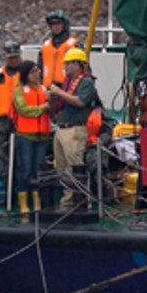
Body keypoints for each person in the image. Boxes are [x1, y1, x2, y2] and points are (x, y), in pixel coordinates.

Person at [48, 47, 100, 209]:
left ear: (78, 65)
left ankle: (81, 200)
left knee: (75, 165)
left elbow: (80, 101)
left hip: (75, 129)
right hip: (61, 128)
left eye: (69, 63)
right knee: (62, 167)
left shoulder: (86, 82)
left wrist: (60, 93)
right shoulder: (67, 83)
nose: (65, 67)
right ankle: (68, 198)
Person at [11, 60, 51, 213]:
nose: (37, 74)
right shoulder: (19, 90)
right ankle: (23, 202)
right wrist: (42, 108)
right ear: (26, 75)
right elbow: (23, 109)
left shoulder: (43, 89)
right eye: (33, 72)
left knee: (38, 170)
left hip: (41, 136)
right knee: (26, 169)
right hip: (26, 135)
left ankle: (37, 200)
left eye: (37, 71)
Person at [0, 41, 22, 187]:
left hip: (21, 120)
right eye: (10, 57)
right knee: (1, 156)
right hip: (1, 120)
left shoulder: (26, 74)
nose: (13, 60)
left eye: (15, 57)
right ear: (5, 57)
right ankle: (6, 189)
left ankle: (20, 189)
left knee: (20, 157)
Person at [40, 10, 78, 89]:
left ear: (64, 25)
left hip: (68, 90)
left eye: (58, 24)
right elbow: (39, 69)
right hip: (48, 89)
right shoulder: (45, 46)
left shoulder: (74, 45)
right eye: (53, 24)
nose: (55, 27)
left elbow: (84, 70)